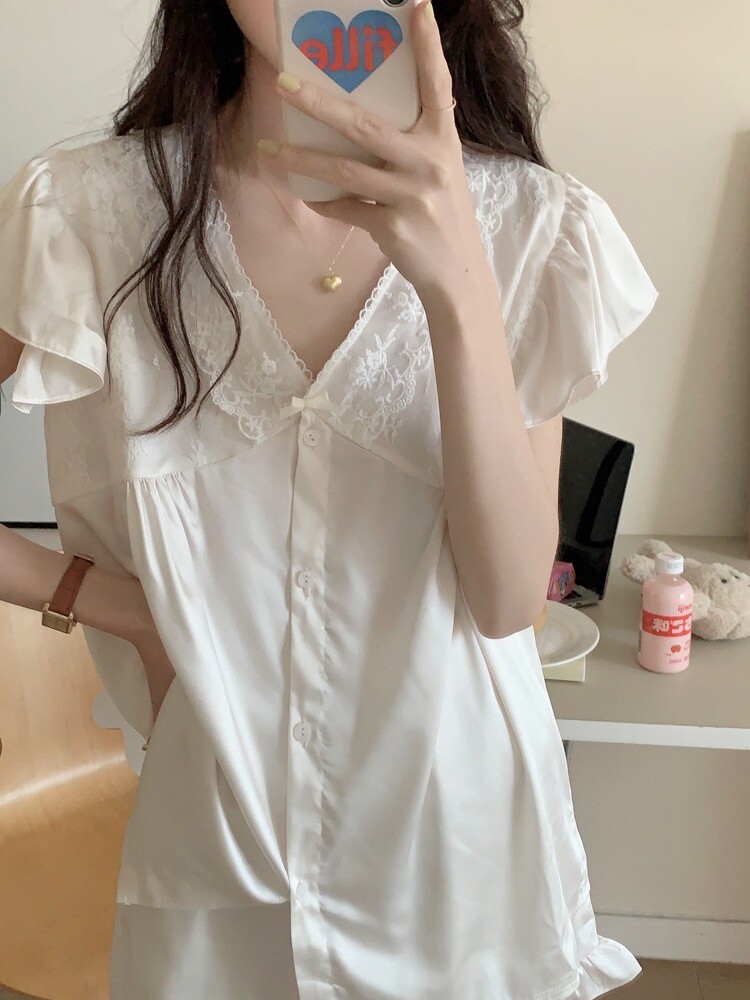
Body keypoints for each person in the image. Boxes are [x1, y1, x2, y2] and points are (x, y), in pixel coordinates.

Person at [0, 0, 659, 997]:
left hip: (457, 852)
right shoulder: (85, 213)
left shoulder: (532, 223)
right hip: (219, 845)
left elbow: (506, 599)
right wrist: (118, 606)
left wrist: (458, 279)